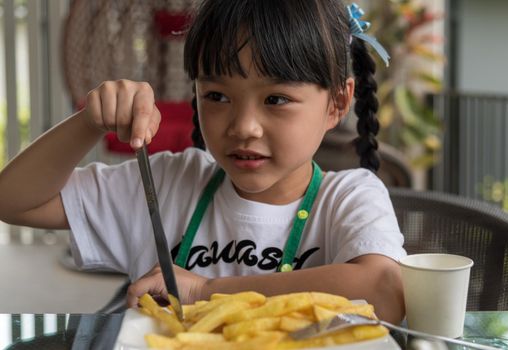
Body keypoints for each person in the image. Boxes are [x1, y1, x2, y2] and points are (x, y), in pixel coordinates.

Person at [0, 0, 406, 323]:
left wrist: (204, 291)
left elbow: (384, 289)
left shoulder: (348, 198)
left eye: (276, 99)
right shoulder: (165, 183)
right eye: (217, 96)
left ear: (337, 102)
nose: (244, 127)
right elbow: (14, 201)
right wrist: (89, 121)